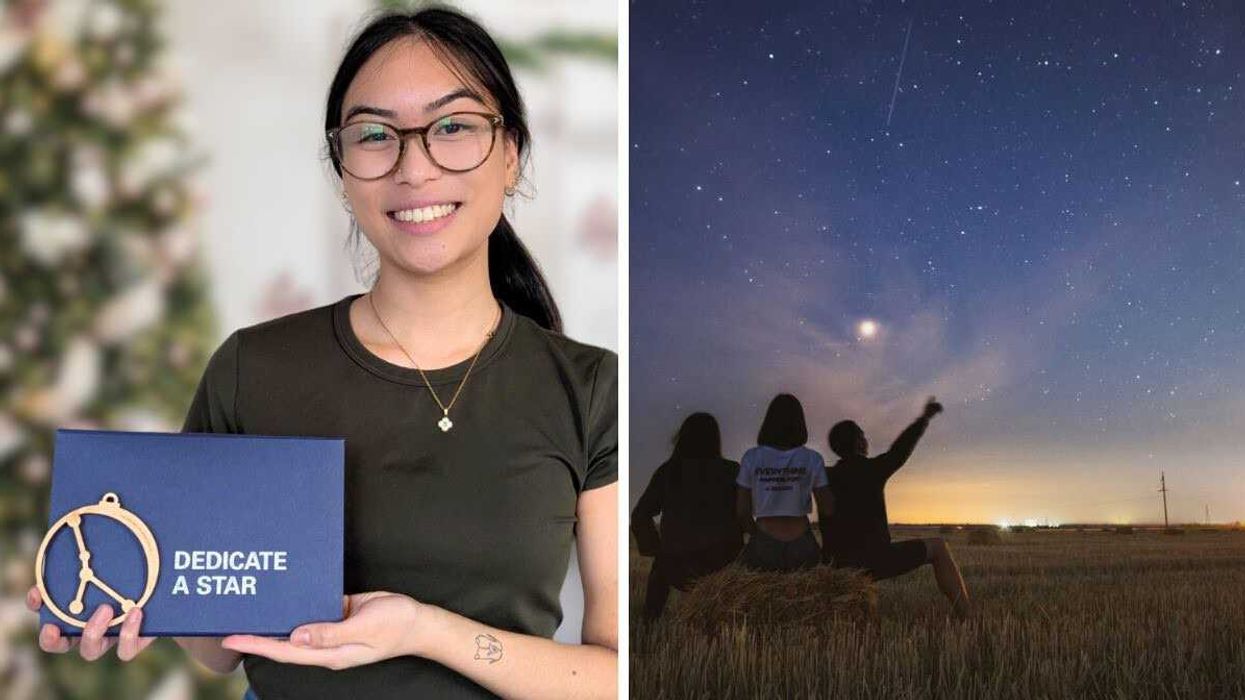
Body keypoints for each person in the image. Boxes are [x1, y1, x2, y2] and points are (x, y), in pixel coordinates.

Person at [27, 7, 618, 698]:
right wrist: (144, 596)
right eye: (374, 136)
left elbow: (612, 676)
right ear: (343, 169)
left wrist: (426, 630)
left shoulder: (588, 387)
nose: (414, 166)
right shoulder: (254, 368)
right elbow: (219, 653)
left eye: (452, 127)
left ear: (511, 150)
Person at [823, 396, 971, 617]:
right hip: (875, 560)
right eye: (863, 435)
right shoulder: (873, 469)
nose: (866, 439)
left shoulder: (825, 475)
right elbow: (901, 449)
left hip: (837, 563)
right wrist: (924, 419)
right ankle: (967, 616)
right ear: (859, 442)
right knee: (939, 547)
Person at [632, 413, 743, 619]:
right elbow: (745, 514)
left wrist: (656, 550)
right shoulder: (732, 471)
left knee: (659, 571)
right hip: (723, 564)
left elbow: (640, 515)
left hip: (677, 566)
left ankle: (650, 617)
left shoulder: (668, 472)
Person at [735, 394, 834, 572]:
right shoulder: (813, 458)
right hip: (802, 541)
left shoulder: (751, 457)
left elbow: (742, 510)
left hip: (764, 540)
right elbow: (827, 508)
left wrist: (757, 535)